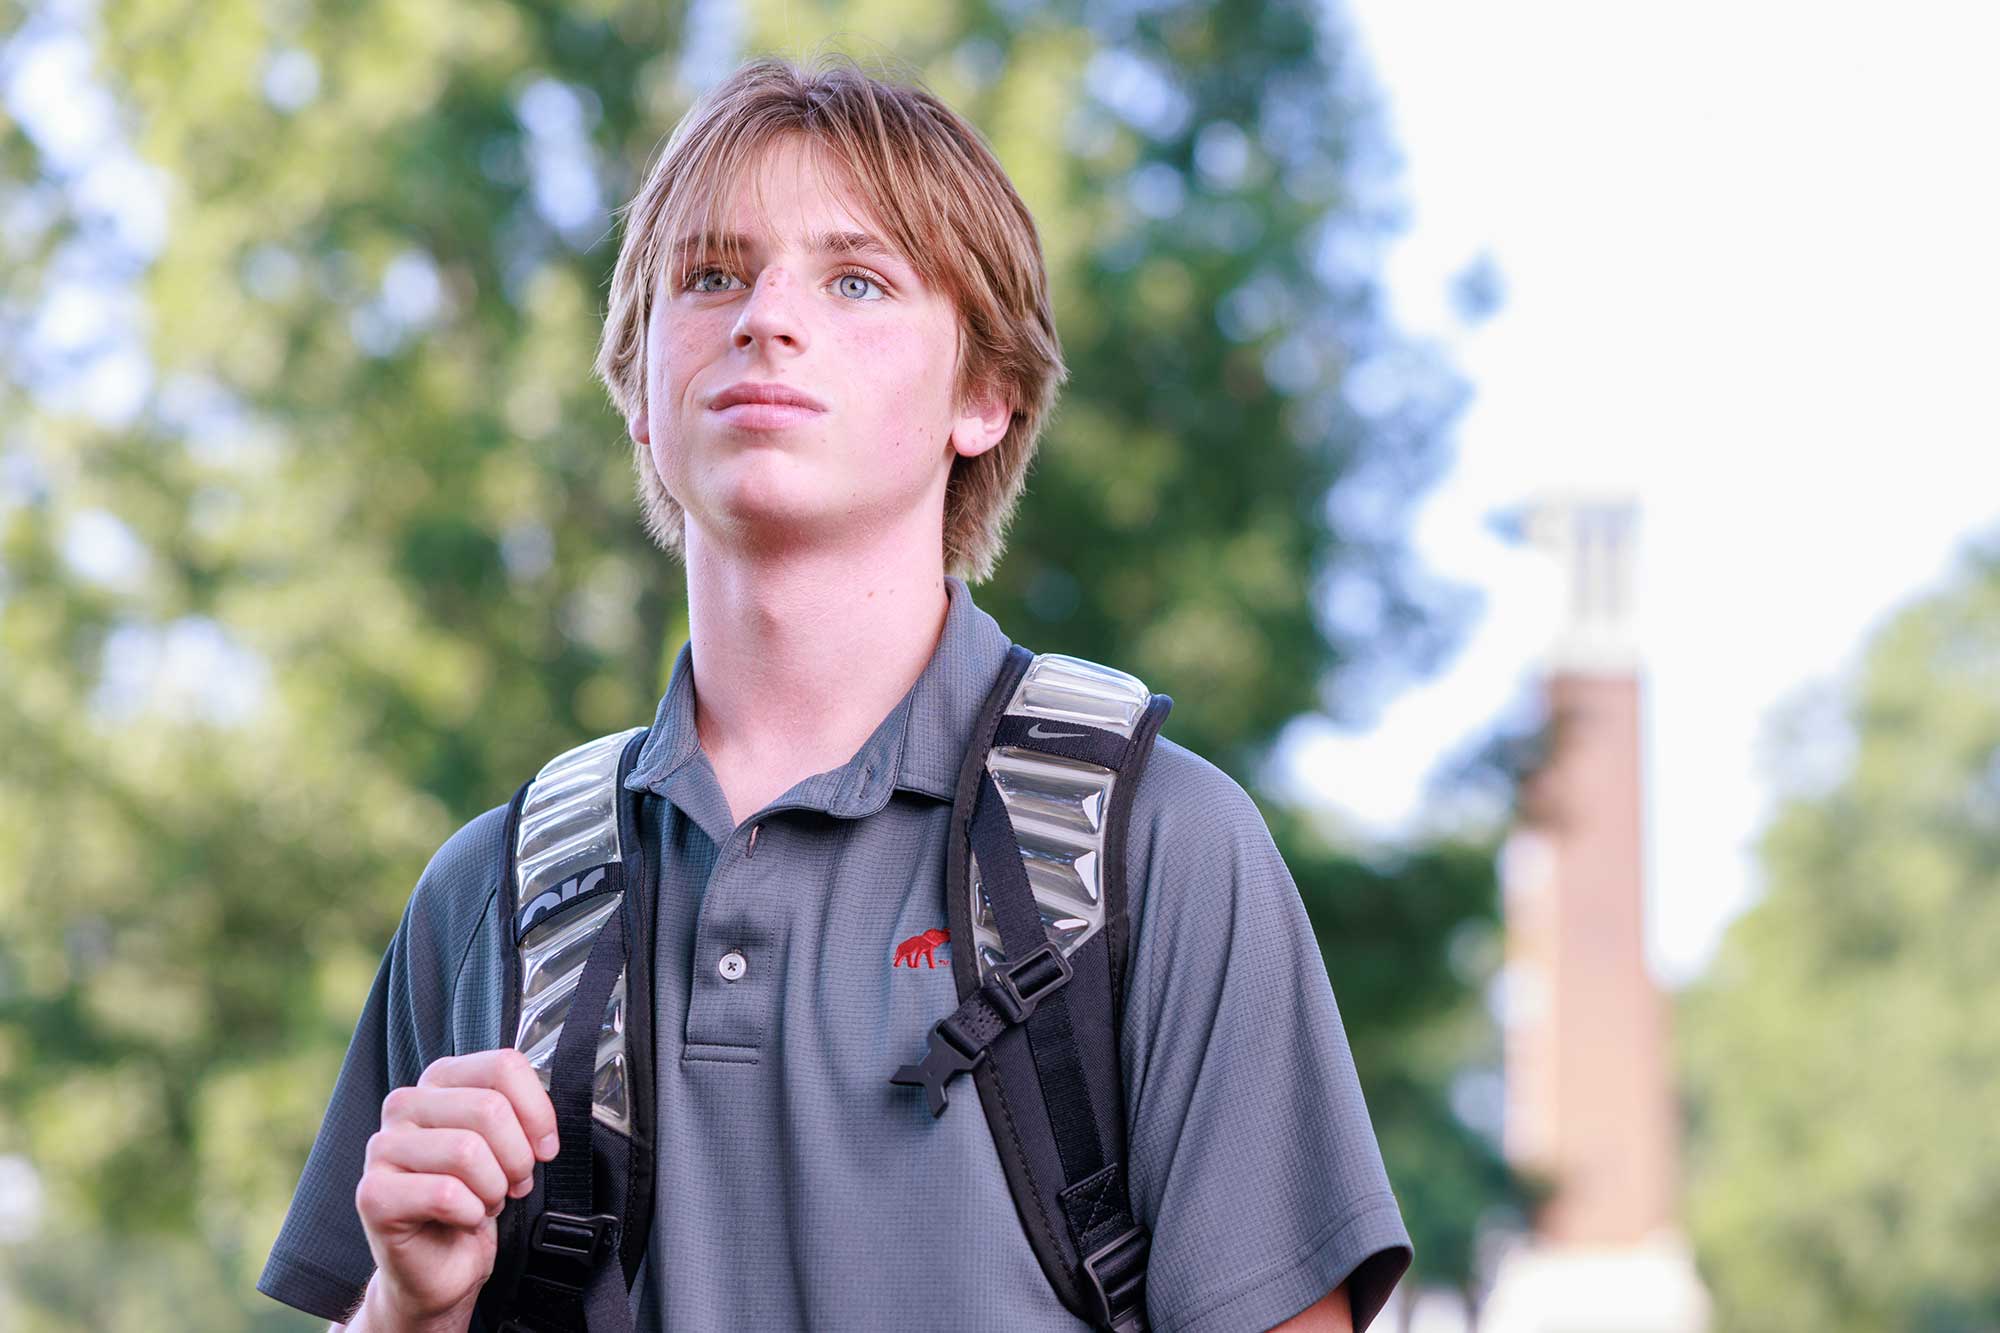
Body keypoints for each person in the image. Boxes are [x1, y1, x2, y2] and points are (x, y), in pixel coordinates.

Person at [258, 52, 1412, 1333]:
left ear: (985, 394)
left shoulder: (1153, 849)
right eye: (710, 276)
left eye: (855, 280)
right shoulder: (493, 894)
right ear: (640, 391)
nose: (764, 317)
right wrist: (406, 1309)